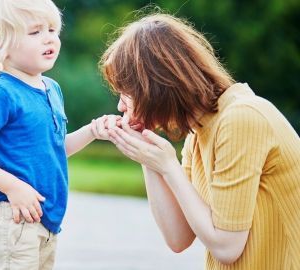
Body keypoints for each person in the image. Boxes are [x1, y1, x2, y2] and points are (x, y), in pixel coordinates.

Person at [100, 13, 300, 269]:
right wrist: (147, 157)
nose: (120, 105)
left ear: (156, 85)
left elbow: (227, 247)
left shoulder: (241, 118)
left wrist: (168, 166)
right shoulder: (198, 134)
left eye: (125, 93)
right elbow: (178, 238)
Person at [0, 0, 116, 269]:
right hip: (13, 220)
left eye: (52, 29)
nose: (49, 38)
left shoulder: (52, 88)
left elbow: (53, 149)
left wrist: (91, 131)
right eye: (35, 32)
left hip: (45, 221)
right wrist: (13, 187)